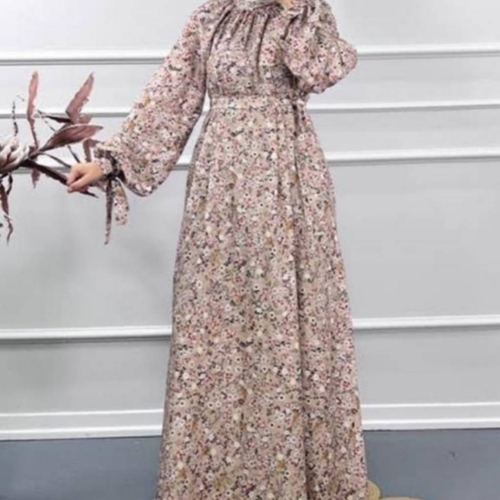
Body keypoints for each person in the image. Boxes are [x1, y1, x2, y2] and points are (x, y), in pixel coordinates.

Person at [67, 0, 368, 497]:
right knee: (216, 315)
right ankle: (215, 479)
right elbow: (172, 95)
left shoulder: (307, 12)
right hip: (220, 185)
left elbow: (319, 70)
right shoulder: (211, 16)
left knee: (288, 310)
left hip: (289, 177)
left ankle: (302, 478)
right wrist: (109, 162)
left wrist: (293, 11)